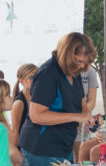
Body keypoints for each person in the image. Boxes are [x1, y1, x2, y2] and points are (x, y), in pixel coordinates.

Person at [18, 32, 97, 165]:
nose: (82, 66)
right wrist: (76, 117)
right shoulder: (48, 74)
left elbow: (82, 104)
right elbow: (36, 115)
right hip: (41, 149)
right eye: (79, 61)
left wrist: (89, 117)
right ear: (67, 54)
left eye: (85, 63)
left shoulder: (74, 70)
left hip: (63, 147)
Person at [11, 64, 37, 162]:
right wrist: (16, 156)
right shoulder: (19, 103)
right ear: (21, 81)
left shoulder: (39, 98)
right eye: (31, 77)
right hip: (24, 150)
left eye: (37, 76)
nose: (34, 79)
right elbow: (15, 131)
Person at [73, 67, 99, 163]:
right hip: (65, 121)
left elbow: (92, 101)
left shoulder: (90, 71)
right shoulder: (63, 69)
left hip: (83, 122)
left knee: (81, 159)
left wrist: (81, 118)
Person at [0, 79, 23, 166]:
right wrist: (23, 162)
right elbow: (12, 152)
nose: (12, 98)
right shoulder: (2, 126)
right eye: (8, 96)